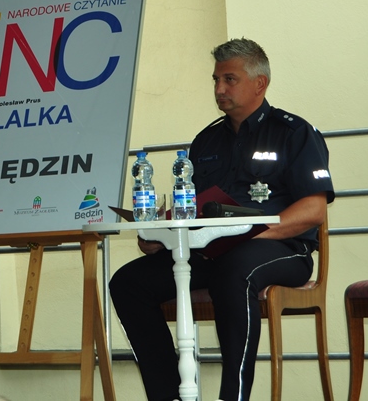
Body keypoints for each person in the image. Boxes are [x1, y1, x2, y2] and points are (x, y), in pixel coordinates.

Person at [109, 38, 335, 401]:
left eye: (230, 79)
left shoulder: (294, 133)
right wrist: (159, 235)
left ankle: (234, 396)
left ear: (259, 83)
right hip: (212, 250)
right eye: (216, 80)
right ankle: (169, 396)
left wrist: (248, 234)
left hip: (282, 248)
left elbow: (313, 210)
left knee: (235, 269)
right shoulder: (206, 141)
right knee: (128, 282)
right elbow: (193, 209)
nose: (219, 89)